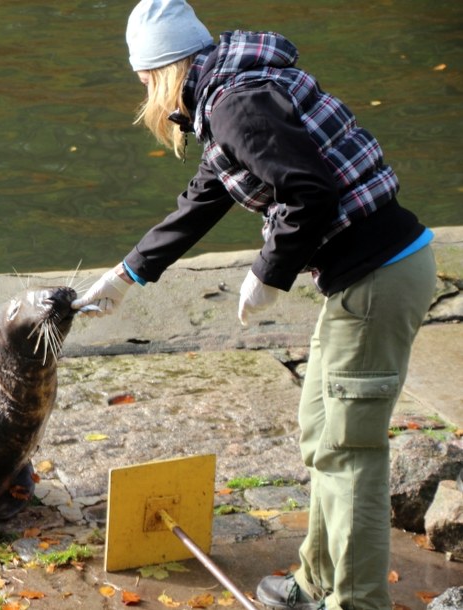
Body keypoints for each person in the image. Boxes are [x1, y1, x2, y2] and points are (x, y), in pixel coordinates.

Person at [71, 1, 437, 609]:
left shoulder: (235, 102)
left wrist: (268, 273)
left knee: (349, 455)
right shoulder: (233, 92)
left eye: (143, 80)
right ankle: (315, 583)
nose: (145, 95)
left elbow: (308, 192)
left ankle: (358, 602)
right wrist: (127, 275)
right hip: (365, 278)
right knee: (322, 434)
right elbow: (203, 199)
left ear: (164, 69)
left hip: (378, 278)